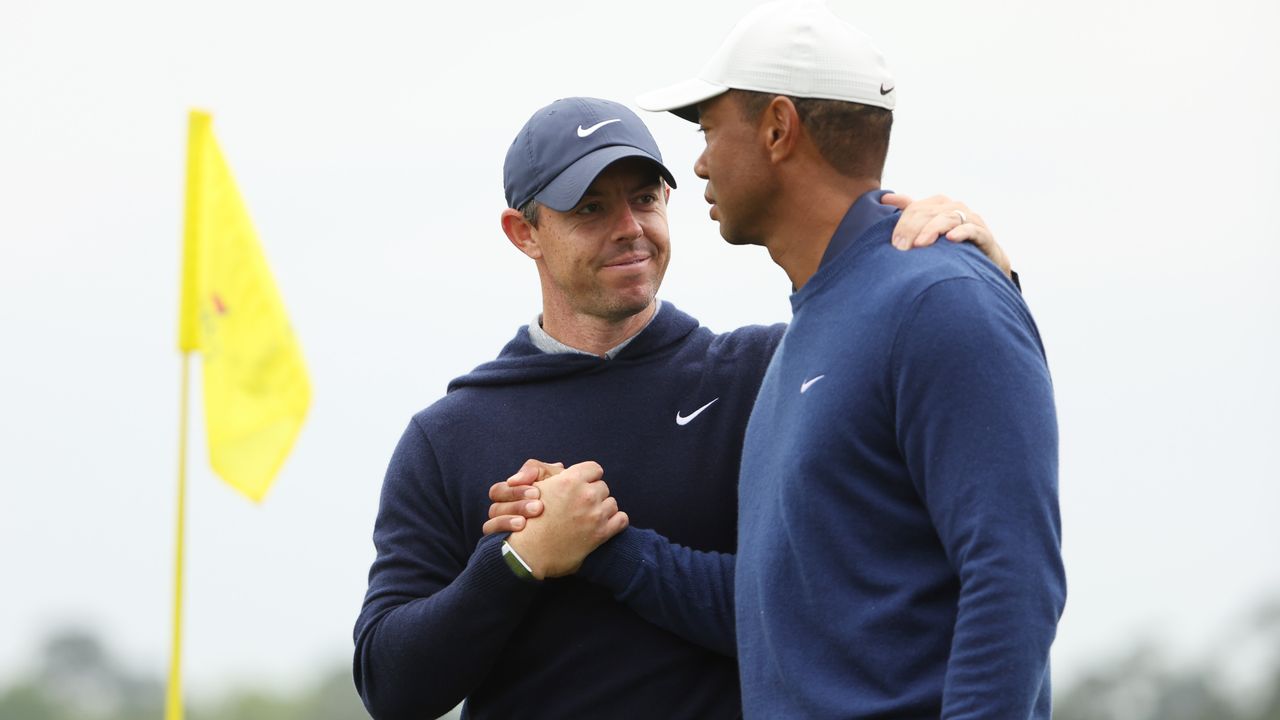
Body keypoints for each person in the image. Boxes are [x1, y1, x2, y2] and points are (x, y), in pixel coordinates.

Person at [353, 95, 1011, 719]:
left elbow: (825, 611)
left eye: (644, 199)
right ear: (523, 232)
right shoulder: (450, 437)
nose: (629, 229)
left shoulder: (769, 375)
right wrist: (516, 561)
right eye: (590, 208)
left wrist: (987, 274)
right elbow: (392, 688)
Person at [622, 1, 1066, 717]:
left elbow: (1013, 578)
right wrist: (607, 551)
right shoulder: (820, 322)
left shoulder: (941, 298)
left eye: (708, 129)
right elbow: (786, 608)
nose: (698, 161)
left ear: (776, 127)